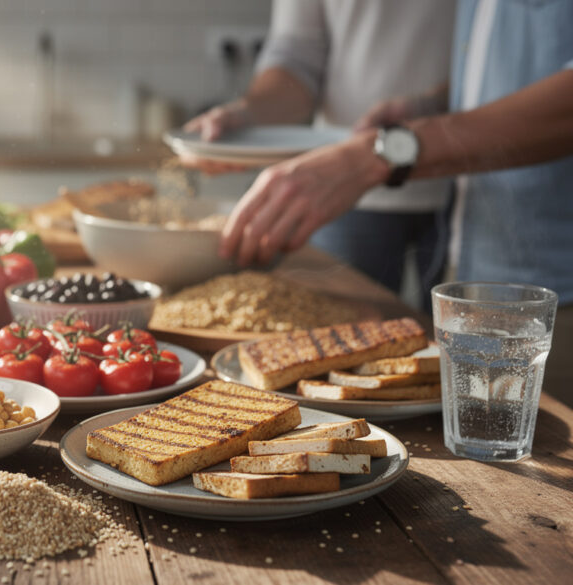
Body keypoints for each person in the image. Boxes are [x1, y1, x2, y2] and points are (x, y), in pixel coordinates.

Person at [215, 0, 573, 404]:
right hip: (477, 241)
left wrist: (385, 152)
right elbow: (503, 70)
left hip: (551, 275)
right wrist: (431, 107)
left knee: (535, 442)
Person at [183, 0, 456, 306]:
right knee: (344, 325)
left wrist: (436, 107)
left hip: (473, 182)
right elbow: (296, 57)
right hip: (342, 189)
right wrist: (248, 113)